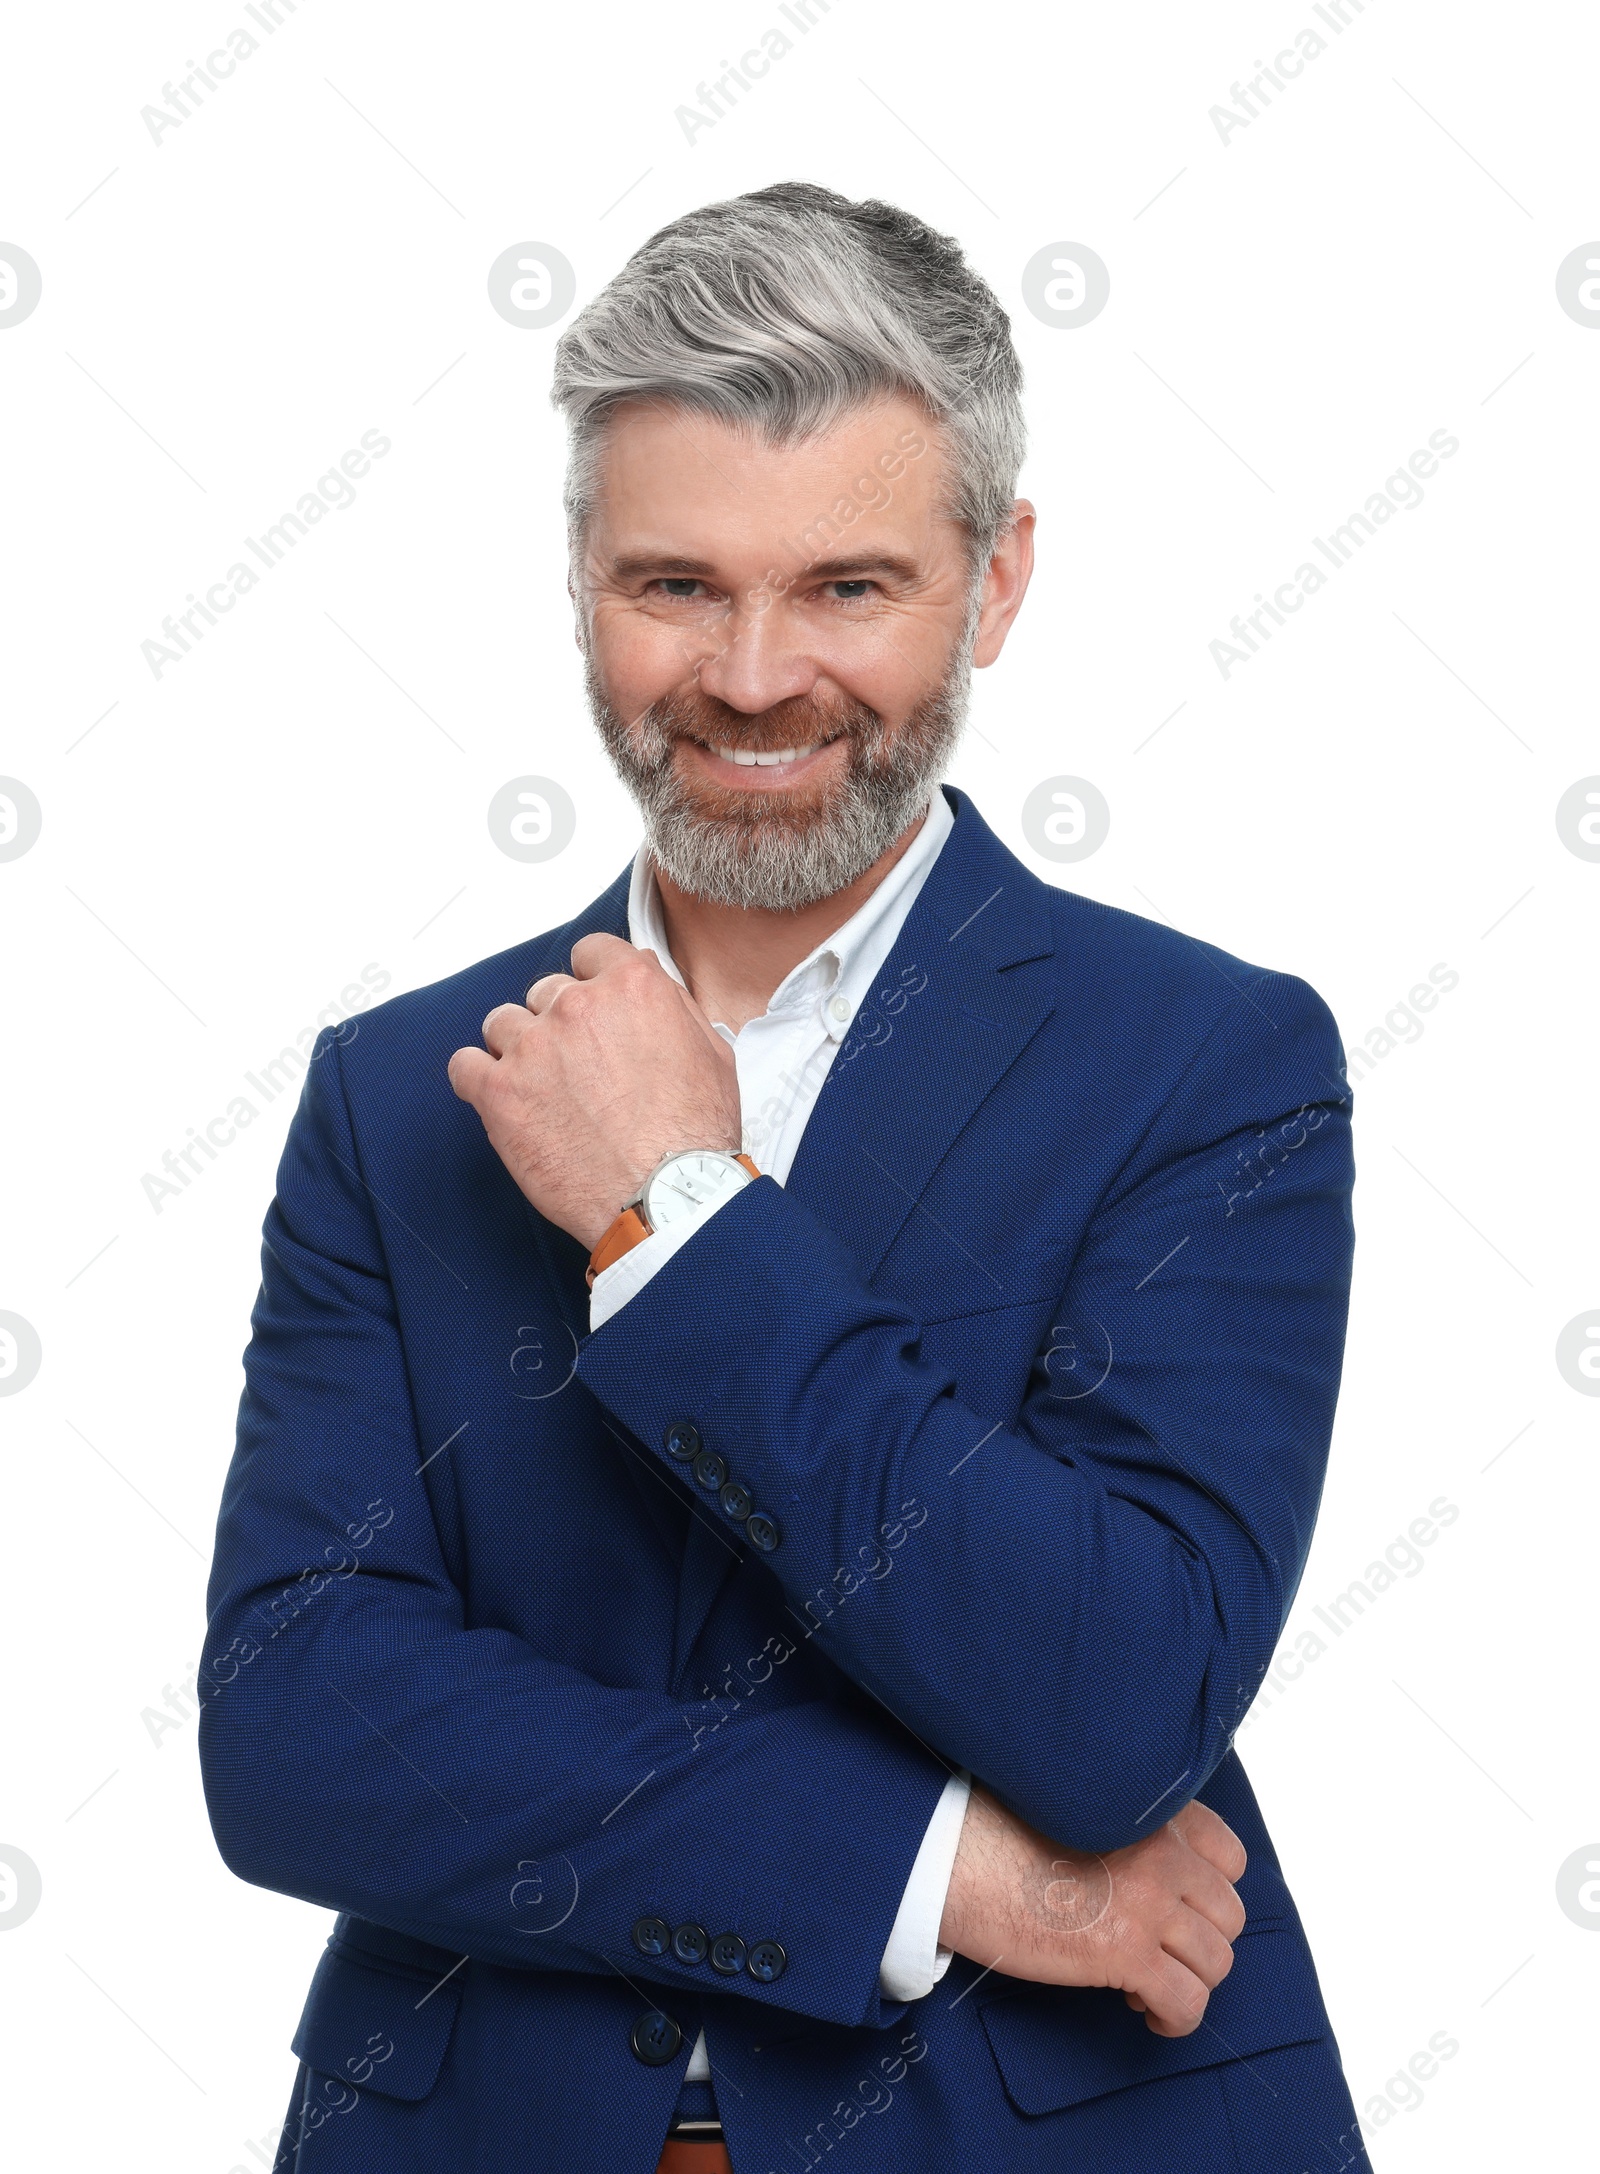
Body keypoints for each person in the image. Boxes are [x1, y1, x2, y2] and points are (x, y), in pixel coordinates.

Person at [201, 182, 1368, 2174]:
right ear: (579, 575)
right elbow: (301, 1728)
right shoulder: (395, 1094)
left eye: (846, 589)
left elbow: (1108, 1692)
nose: (749, 679)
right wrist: (931, 1869)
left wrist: (676, 1208)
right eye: (673, 585)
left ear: (990, 583)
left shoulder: (1207, 1066)